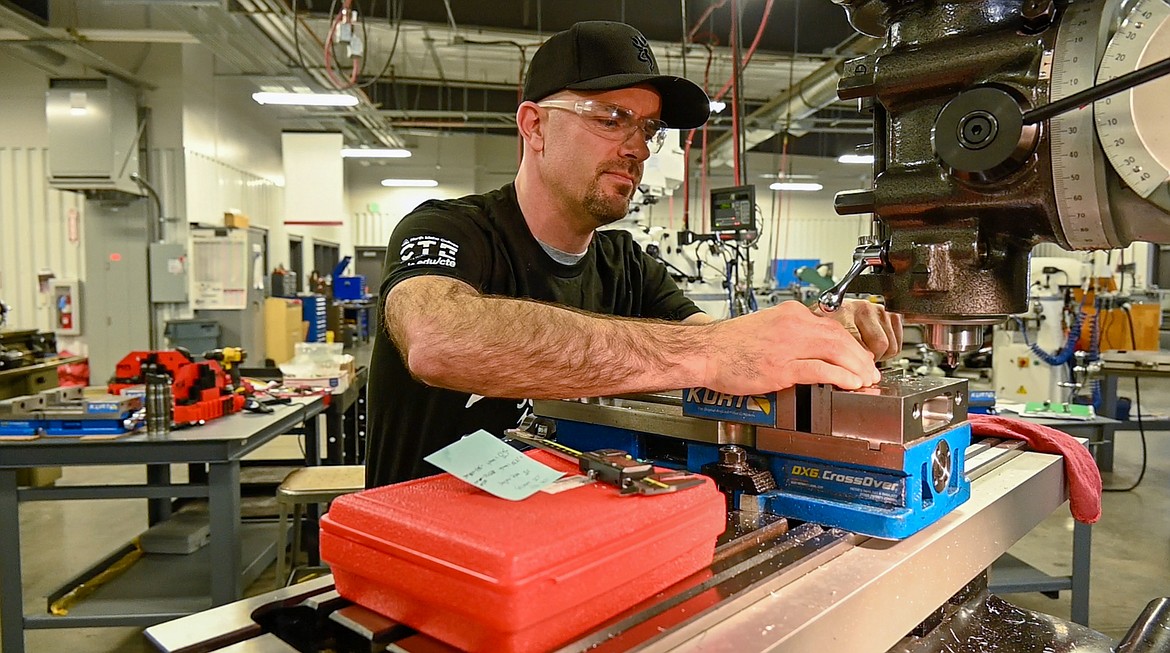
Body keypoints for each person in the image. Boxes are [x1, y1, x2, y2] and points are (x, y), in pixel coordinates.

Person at [365, 21, 902, 487]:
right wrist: (709, 353)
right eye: (611, 118)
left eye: (647, 128)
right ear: (534, 126)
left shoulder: (625, 264)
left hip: (559, 557)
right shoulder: (451, 230)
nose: (638, 147)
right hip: (423, 563)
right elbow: (439, 340)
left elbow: (720, 345)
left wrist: (816, 337)